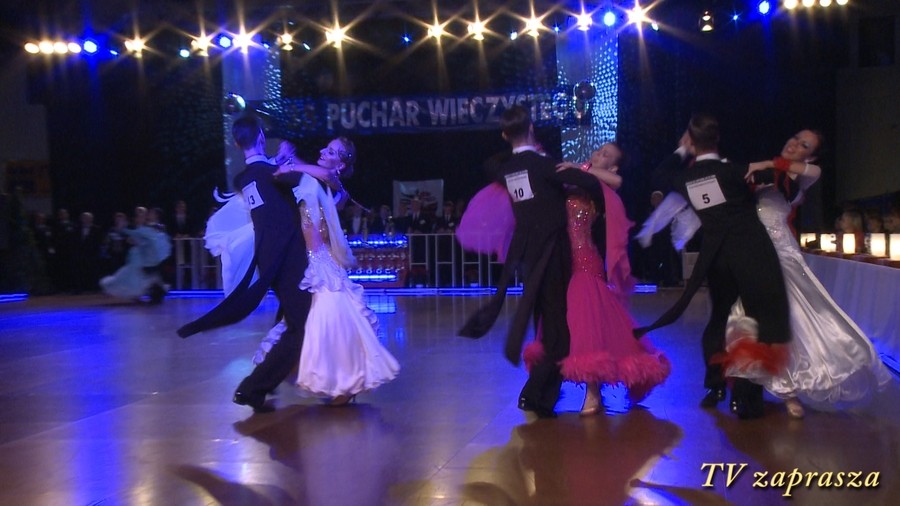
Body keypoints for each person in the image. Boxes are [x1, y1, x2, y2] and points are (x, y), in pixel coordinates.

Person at [634, 113, 792, 420]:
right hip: (751, 252)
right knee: (758, 317)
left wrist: (682, 150)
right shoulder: (735, 171)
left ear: (692, 142)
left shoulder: (684, 177)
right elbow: (777, 178)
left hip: (716, 257)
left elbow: (659, 174)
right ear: (718, 138)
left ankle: (715, 386)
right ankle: (745, 396)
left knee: (718, 318)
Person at [458, 105, 605, 418]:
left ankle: (541, 394)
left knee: (546, 322)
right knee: (557, 325)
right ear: (533, 129)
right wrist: (575, 170)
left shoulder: (507, 169)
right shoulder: (545, 165)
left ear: (504, 135)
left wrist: (516, 149)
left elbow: (490, 163)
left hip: (526, 253)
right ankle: (535, 393)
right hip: (553, 251)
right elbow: (590, 184)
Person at [739, 130, 892, 418]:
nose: (794, 144)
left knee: (794, 316)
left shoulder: (803, 173)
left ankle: (790, 390)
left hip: (780, 252)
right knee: (749, 318)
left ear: (810, 155)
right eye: (795, 138)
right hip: (750, 250)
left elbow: (810, 171)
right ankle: (753, 386)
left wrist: (766, 165)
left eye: (804, 145)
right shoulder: (764, 172)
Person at [177, 115, 318, 413]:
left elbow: (266, 181)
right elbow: (306, 180)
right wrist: (289, 160)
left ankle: (276, 375)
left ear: (236, 143)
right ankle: (253, 388)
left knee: (291, 318)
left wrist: (279, 161)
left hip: (269, 258)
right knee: (300, 325)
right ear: (262, 138)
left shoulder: (243, 179)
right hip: (289, 259)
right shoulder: (274, 173)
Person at [522, 143, 671, 415]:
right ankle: (553, 385)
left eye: (606, 155)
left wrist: (580, 168)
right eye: (598, 151)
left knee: (586, 326)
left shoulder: (599, 187)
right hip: (562, 263)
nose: (598, 155)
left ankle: (592, 393)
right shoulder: (574, 180)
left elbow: (617, 181)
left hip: (585, 261)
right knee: (564, 325)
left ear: (613, 166)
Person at [254, 137, 399, 404]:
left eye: (331, 151)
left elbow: (327, 176)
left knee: (328, 321)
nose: (322, 151)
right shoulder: (320, 182)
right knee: (307, 321)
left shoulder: (330, 182)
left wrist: (290, 164)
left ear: (341, 164)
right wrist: (291, 161)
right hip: (306, 261)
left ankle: (339, 381)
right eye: (326, 147)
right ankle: (308, 375)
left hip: (320, 262)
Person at [99, 206, 171, 302]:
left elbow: (148, 240)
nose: (140, 217)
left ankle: (150, 293)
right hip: (137, 254)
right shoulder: (135, 227)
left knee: (142, 275)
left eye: (142, 214)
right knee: (134, 273)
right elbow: (129, 237)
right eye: (138, 215)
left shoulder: (150, 227)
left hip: (145, 255)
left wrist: (136, 240)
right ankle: (139, 294)